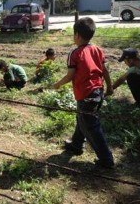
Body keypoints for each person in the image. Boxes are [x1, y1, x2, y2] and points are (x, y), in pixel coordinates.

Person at [52, 17, 114, 168]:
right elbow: (104, 70)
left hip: (86, 94)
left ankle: (106, 159)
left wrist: (58, 84)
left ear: (77, 35)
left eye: (74, 34)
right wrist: (109, 87)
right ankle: (76, 144)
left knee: (91, 127)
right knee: (82, 119)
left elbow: (70, 75)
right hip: (97, 92)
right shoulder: (97, 50)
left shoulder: (75, 53)